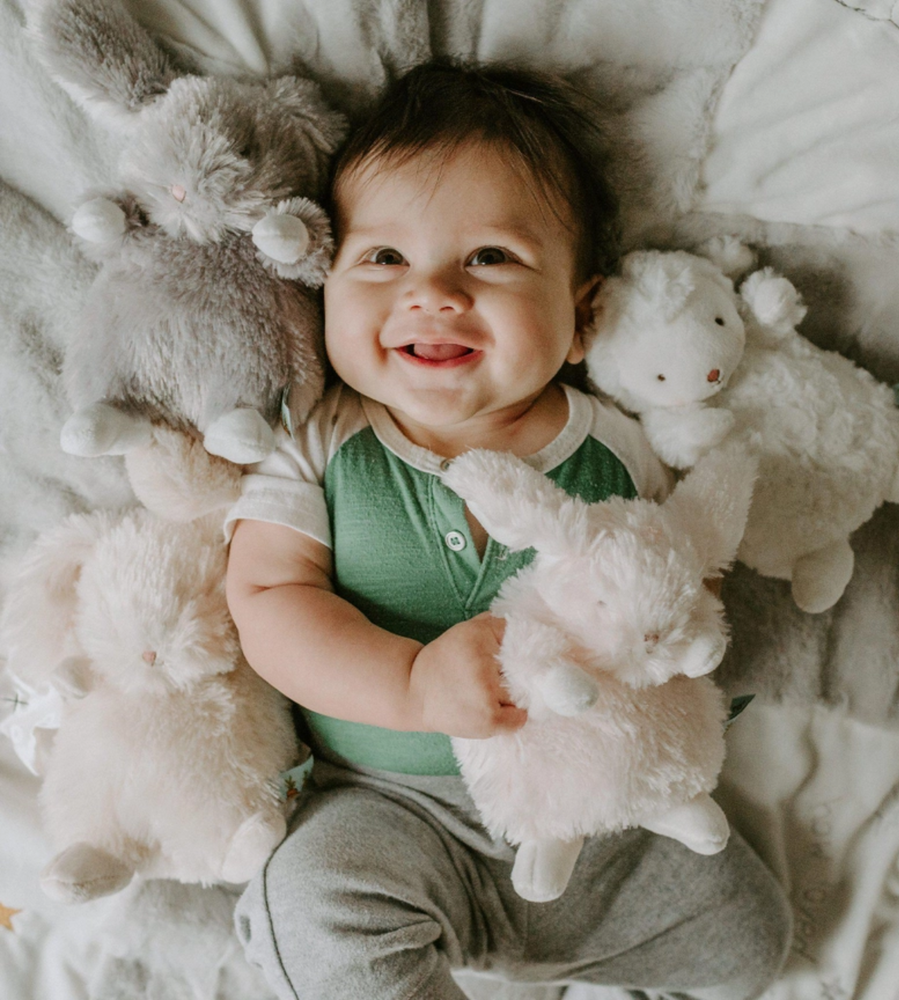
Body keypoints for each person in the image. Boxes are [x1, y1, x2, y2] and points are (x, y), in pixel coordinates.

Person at [225, 59, 792, 1000]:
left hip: (601, 816)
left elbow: (685, 573)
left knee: (746, 935)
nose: (434, 291)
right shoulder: (318, 446)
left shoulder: (618, 450)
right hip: (390, 809)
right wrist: (408, 686)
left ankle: (591, 965)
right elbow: (267, 600)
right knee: (313, 907)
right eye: (383, 259)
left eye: (490, 257)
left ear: (581, 319)